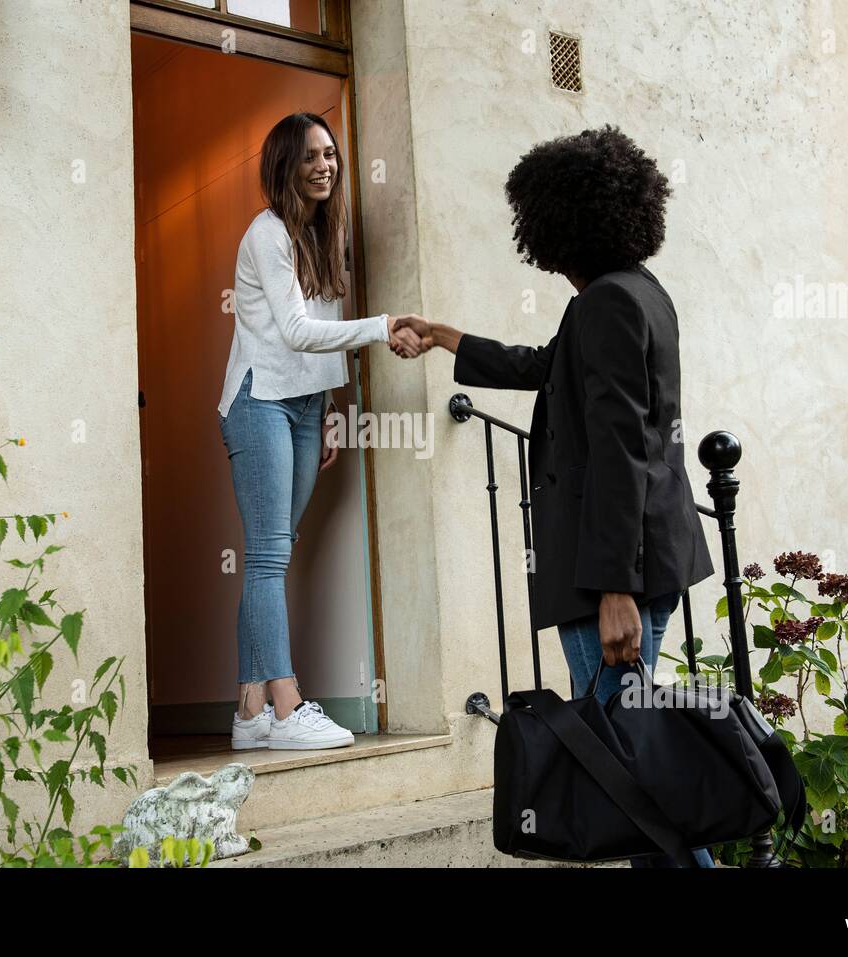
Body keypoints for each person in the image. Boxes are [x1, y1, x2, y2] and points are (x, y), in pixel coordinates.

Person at [392, 126, 717, 867]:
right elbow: (548, 367)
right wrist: (446, 336)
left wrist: (613, 588)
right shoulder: (634, 294)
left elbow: (620, 450)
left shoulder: (606, 302)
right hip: (635, 561)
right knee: (628, 761)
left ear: (555, 227)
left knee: (624, 771)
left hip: (607, 573)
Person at [219, 112, 422, 753]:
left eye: (330, 154)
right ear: (284, 163)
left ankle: (249, 709)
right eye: (309, 155)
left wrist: (332, 405)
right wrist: (382, 326)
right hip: (259, 404)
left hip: (305, 404)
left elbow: (321, 336)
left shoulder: (322, 234)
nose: (324, 165)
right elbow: (297, 332)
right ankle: (286, 705)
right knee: (269, 556)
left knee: (272, 553)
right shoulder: (266, 234)